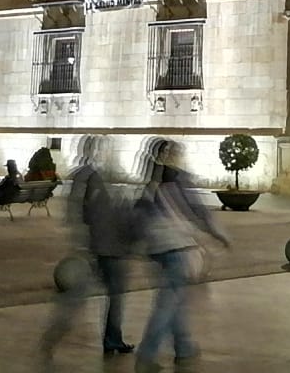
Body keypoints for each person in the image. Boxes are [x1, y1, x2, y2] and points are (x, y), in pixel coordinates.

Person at [134, 139, 230, 373]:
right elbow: (198, 210)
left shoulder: (152, 182)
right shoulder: (179, 180)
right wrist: (219, 234)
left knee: (175, 299)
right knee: (167, 303)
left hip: (156, 249)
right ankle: (146, 354)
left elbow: (140, 213)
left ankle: (184, 346)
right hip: (177, 247)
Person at [38, 136, 135, 360]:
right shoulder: (85, 176)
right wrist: (80, 243)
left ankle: (112, 339)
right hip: (95, 247)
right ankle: (53, 335)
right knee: (76, 299)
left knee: (115, 294)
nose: (106, 152)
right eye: (100, 148)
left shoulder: (107, 175)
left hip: (112, 247)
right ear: (91, 151)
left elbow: (117, 210)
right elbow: (74, 211)